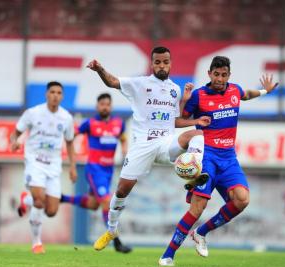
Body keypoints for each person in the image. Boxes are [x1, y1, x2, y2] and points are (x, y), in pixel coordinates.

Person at [87, 46, 211, 251]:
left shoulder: (175, 89)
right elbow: (112, 82)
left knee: (197, 134)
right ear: (152, 64)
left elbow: (174, 121)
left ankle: (193, 173)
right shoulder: (140, 84)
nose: (162, 65)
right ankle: (111, 230)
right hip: (142, 145)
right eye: (158, 62)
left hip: (165, 143)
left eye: (165, 62)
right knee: (121, 190)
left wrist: (196, 120)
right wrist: (100, 69)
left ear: (170, 63)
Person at [159, 56, 279, 266]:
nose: (220, 79)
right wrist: (185, 101)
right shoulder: (199, 95)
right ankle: (168, 255)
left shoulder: (234, 90)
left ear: (229, 76)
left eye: (224, 75)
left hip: (229, 157)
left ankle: (201, 233)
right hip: (207, 157)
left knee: (242, 200)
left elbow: (247, 95)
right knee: (197, 209)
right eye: (216, 74)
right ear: (209, 74)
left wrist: (264, 91)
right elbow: (177, 121)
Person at [60, 93, 132, 253]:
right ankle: (117, 242)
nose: (105, 107)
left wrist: (125, 149)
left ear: (111, 106)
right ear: (97, 106)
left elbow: (123, 138)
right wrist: (71, 162)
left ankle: (62, 198)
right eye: (102, 104)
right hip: (94, 169)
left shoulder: (119, 124)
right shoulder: (89, 124)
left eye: (107, 104)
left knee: (94, 204)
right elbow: (70, 136)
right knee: (107, 201)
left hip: (108, 171)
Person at [11, 81, 77, 254]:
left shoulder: (66, 118)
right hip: (34, 161)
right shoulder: (33, 113)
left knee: (52, 211)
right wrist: (14, 142)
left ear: (62, 96)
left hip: (53, 165)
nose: (55, 95)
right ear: (47, 94)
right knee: (39, 201)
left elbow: (70, 143)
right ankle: (37, 243)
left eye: (59, 93)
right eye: (52, 92)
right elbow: (16, 133)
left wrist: (72, 167)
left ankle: (26, 199)